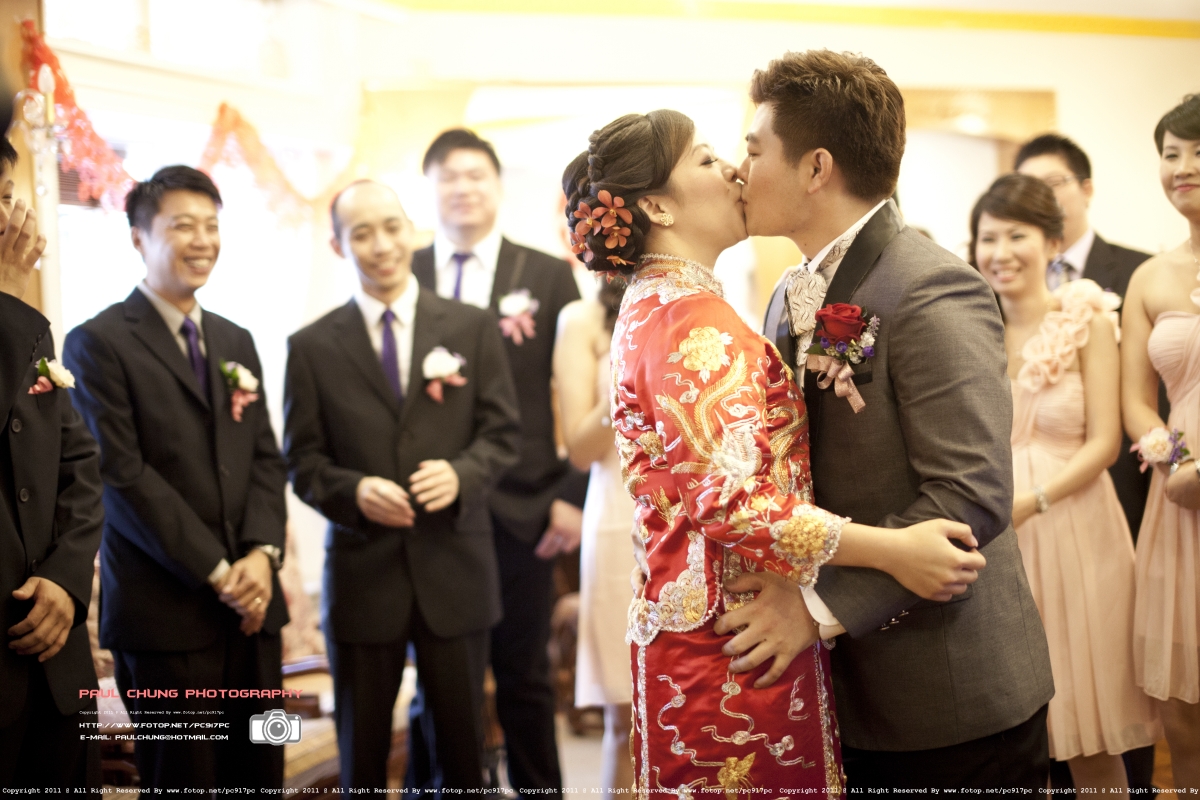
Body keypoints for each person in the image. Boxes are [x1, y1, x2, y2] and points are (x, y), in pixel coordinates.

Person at [566, 108, 989, 790]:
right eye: (707, 160)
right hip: (734, 638)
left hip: (712, 626)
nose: (733, 170)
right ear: (657, 207)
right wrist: (894, 550)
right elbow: (730, 501)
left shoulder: (655, 303)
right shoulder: (689, 320)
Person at [743, 51, 1054, 788]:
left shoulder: (931, 285)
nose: (740, 170)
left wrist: (816, 608)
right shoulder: (789, 292)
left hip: (945, 686)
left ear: (816, 168)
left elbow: (971, 494)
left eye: (754, 150)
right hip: (846, 689)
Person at [283, 180, 520, 790]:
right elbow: (302, 461)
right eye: (361, 233)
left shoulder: (470, 327)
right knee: (361, 761)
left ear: (411, 230)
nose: (382, 244)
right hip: (363, 578)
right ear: (339, 245)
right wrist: (354, 492)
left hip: (455, 570)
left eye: (391, 227)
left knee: (462, 759)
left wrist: (461, 474)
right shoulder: (311, 347)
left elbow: (502, 435)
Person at [63, 166, 289, 791]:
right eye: (183, 226)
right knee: (184, 781)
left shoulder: (236, 340)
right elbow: (123, 477)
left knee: (262, 774)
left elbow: (266, 461)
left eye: (212, 226)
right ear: (138, 237)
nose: (203, 241)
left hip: (255, 616)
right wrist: (220, 574)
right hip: (165, 619)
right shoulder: (97, 343)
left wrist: (262, 557)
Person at [971, 173, 1161, 792]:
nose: (1000, 252)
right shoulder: (971, 329)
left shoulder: (1085, 318)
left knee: (1088, 724)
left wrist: (1035, 500)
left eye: (1016, 236)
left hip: (1076, 526)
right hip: (999, 533)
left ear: (1052, 243)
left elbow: (1105, 442)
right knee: (1020, 732)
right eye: (988, 238)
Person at [409, 129, 586, 794]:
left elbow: (585, 394)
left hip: (526, 508)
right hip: (433, 509)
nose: (463, 188)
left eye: (475, 174)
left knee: (525, 676)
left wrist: (572, 492)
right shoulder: (406, 271)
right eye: (449, 176)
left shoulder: (545, 274)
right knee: (437, 679)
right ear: (431, 190)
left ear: (497, 185)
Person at [0, 140, 103, 790]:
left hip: (59, 669)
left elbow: (80, 463)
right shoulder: (14, 316)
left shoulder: (29, 328)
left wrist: (65, 579)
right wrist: (6, 298)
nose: (6, 216)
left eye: (7, 196)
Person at [1121, 93, 1200, 790]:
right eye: (1171, 153)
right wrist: (1176, 461)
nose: (1184, 166)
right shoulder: (1150, 276)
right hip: (1181, 498)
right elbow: (1135, 400)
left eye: (1199, 151)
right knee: (1186, 719)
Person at [552, 277, 635, 791]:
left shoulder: (702, 303)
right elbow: (580, 450)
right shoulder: (581, 320)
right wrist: (625, 381)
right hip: (620, 519)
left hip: (697, 514)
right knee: (628, 717)